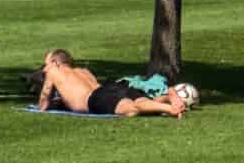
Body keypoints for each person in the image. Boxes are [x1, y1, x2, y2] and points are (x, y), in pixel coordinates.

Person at [37, 50, 188, 118]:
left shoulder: (53, 71)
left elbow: (43, 105)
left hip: (96, 98)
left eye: (46, 64)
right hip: (110, 88)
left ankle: (169, 108)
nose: (44, 69)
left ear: (55, 63)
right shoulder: (83, 71)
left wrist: (45, 101)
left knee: (131, 109)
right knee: (143, 102)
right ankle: (167, 96)